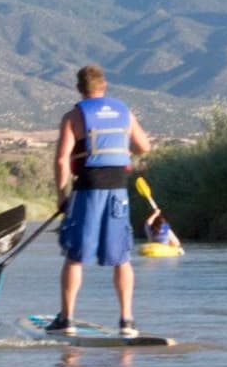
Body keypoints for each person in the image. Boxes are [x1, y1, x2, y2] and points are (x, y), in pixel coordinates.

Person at [49, 63, 152, 337]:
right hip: (118, 191)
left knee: (75, 257)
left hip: (87, 191)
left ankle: (67, 319)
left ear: (79, 89)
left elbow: (61, 161)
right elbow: (144, 147)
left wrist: (61, 196)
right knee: (122, 258)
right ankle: (127, 321)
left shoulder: (73, 116)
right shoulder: (124, 112)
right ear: (103, 86)